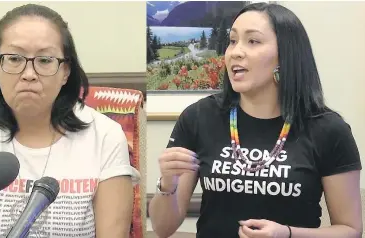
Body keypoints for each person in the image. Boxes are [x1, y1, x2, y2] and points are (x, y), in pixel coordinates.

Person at [149, 2, 362, 238]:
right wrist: (167, 184)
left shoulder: (328, 129)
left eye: (253, 41)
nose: (236, 52)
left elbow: (350, 230)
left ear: (285, 54)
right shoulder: (199, 117)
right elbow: (162, 228)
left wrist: (287, 234)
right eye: (232, 41)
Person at [0, 3, 139, 238]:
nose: (29, 73)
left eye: (44, 60)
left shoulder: (105, 136)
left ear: (66, 72)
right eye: (14, 58)